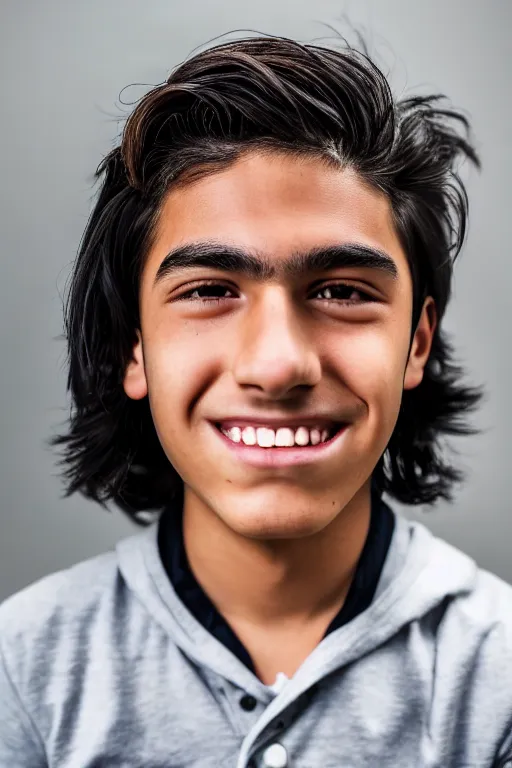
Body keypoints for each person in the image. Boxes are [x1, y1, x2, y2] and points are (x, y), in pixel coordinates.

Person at [1, 32, 511, 768]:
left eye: (341, 292)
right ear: (132, 347)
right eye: (209, 291)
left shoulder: (495, 678)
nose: (277, 366)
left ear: (418, 343)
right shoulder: (25, 669)